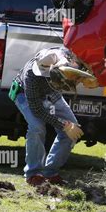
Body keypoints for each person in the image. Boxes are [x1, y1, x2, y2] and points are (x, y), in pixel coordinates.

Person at [11, 47, 86, 186]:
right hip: (24, 95)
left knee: (73, 131)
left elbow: (82, 63)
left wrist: (85, 76)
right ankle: (33, 174)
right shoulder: (30, 76)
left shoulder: (66, 55)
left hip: (51, 95)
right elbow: (38, 110)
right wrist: (65, 125)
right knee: (37, 128)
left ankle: (50, 173)